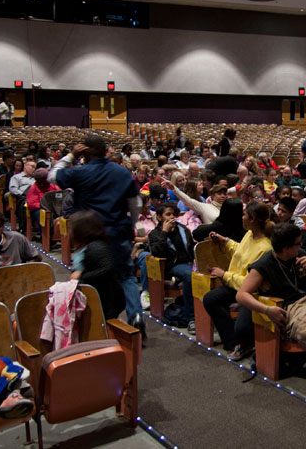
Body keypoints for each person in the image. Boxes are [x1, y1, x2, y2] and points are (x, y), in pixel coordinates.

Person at [50, 134, 143, 332]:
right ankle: (135, 317)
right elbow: (135, 203)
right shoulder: (122, 172)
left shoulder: (80, 172)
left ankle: (95, 324)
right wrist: (130, 224)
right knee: (126, 276)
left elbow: (53, 175)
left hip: (91, 238)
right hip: (118, 231)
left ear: (84, 152)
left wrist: (71, 155)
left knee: (89, 277)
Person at [237, 223, 306, 387]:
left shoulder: (299, 255)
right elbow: (241, 295)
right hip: (293, 307)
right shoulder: (264, 264)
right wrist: (267, 310)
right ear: (285, 248)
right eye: (298, 243)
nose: (301, 246)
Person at [203, 202, 274, 360]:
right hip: (235, 285)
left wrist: (224, 275)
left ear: (253, 219)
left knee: (241, 327)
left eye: (244, 215)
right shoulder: (250, 234)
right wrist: (225, 241)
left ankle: (243, 341)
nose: (241, 218)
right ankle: (233, 342)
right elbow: (241, 252)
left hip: (251, 292)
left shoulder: (266, 247)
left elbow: (250, 283)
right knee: (210, 299)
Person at [148, 202, 196, 332]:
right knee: (188, 274)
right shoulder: (155, 234)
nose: (172, 217)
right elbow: (157, 252)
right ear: (158, 217)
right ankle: (191, 318)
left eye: (174, 214)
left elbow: (191, 248)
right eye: (168, 214)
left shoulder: (182, 229)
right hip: (171, 266)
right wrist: (164, 232)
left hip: (190, 263)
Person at [26, 168, 60, 236]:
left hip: (54, 208)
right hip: (40, 209)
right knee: (41, 214)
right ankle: (46, 237)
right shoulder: (33, 188)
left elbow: (60, 194)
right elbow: (31, 204)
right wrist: (44, 206)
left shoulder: (53, 185)